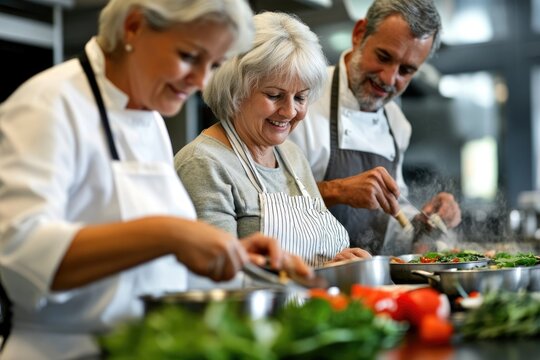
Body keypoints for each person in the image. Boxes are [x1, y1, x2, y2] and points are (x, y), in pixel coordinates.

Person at [0, 1, 311, 359]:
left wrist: (230, 255)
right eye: (189, 56)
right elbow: (20, 254)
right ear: (134, 27)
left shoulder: (149, 116)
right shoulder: (48, 105)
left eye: (211, 65)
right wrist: (171, 234)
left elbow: (150, 266)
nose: (200, 82)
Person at [175, 11, 371, 269]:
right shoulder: (204, 163)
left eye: (300, 98)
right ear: (237, 91)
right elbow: (219, 273)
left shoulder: (291, 155)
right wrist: (317, 274)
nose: (290, 112)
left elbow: (321, 250)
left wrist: (346, 264)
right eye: (275, 95)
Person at [288, 0, 462, 255]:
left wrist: (423, 221)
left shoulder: (397, 123)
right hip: (306, 275)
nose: (389, 78)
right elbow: (268, 200)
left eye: (406, 70)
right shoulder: (300, 96)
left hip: (371, 279)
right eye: (383, 57)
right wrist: (339, 190)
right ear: (359, 34)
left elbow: (392, 217)